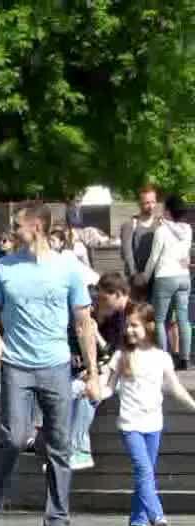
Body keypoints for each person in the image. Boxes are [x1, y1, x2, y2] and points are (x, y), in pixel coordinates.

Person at [0, 202, 99, 526]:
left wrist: (93, 372)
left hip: (56, 366)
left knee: (59, 443)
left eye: (18, 225)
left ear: (37, 227)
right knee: (13, 438)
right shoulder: (4, 267)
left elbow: (83, 322)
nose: (12, 230)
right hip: (16, 366)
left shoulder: (67, 267)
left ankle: (57, 521)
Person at [101, 302, 195, 526]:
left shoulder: (161, 357)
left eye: (135, 325)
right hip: (130, 425)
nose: (129, 330)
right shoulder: (121, 356)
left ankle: (137, 524)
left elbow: (175, 388)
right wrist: (92, 391)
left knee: (145, 476)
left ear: (150, 326)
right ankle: (157, 517)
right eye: (127, 325)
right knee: (143, 470)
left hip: (153, 425)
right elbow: (108, 387)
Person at [67, 272, 130, 470]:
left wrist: (95, 334)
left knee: (87, 392)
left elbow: (116, 353)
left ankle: (79, 450)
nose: (99, 304)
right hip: (104, 370)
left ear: (117, 294)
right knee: (71, 390)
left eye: (104, 299)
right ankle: (68, 448)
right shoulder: (105, 312)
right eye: (98, 299)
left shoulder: (130, 315)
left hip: (122, 374)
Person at [141, 194, 192, 370]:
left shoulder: (161, 231)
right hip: (184, 277)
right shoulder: (188, 229)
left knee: (160, 320)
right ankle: (185, 359)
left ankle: (163, 359)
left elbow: (154, 258)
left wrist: (145, 277)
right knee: (183, 319)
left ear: (168, 211)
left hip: (165, 277)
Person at [120, 184, 163, 279]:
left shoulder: (161, 224)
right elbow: (127, 253)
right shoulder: (130, 225)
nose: (151, 206)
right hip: (137, 276)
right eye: (147, 203)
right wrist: (134, 275)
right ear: (139, 204)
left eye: (153, 202)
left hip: (157, 275)